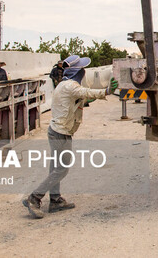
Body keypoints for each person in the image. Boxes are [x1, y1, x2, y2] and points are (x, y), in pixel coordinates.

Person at [22, 55, 118, 219]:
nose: (83, 72)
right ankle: (35, 197)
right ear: (76, 71)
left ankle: (56, 199)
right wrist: (107, 91)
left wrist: (90, 100)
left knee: (55, 167)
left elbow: (82, 98)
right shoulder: (70, 86)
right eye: (81, 69)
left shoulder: (64, 85)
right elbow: (85, 92)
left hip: (57, 130)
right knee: (61, 169)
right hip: (61, 133)